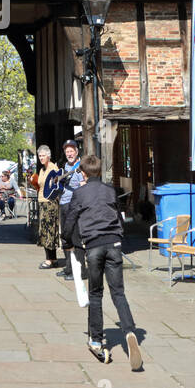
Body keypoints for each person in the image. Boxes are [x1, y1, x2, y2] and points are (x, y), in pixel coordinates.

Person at [62, 154, 142, 369]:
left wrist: (66, 241)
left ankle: (96, 339)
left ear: (83, 173)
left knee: (96, 294)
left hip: (94, 246)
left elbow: (70, 220)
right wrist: (119, 236)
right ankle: (130, 332)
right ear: (99, 171)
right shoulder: (109, 190)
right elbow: (118, 216)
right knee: (119, 293)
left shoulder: (79, 193)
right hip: (114, 243)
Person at [58, 140, 84, 281]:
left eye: (71, 151)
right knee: (65, 237)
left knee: (75, 238)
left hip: (73, 206)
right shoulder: (64, 167)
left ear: (76, 151)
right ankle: (69, 268)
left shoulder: (79, 167)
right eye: (67, 151)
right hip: (63, 203)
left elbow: (83, 186)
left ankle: (80, 270)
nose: (69, 154)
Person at [35, 145, 62, 269]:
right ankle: (53, 258)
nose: (41, 158)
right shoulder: (42, 169)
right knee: (45, 230)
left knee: (49, 231)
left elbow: (56, 186)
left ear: (48, 156)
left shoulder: (53, 168)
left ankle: (49, 260)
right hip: (42, 201)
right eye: (39, 156)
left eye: (43, 156)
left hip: (50, 203)